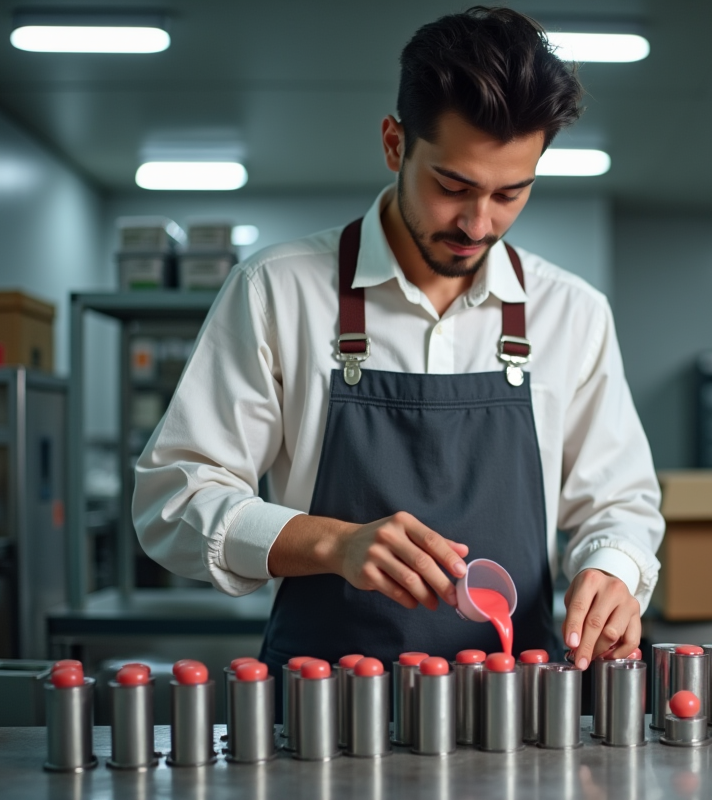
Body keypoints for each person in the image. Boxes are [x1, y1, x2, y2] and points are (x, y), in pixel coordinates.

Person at [133, 7, 663, 683]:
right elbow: (173, 500)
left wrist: (611, 569)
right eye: (453, 186)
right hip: (320, 719)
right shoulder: (278, 290)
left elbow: (619, 504)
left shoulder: (573, 314)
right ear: (394, 144)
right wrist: (334, 542)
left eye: (511, 193)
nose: (478, 224)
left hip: (516, 711)